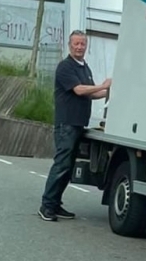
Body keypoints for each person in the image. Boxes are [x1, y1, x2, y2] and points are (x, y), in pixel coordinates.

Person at [39, 30, 111, 221]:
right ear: (70, 46)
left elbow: (91, 93)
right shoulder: (65, 67)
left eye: (82, 44)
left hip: (79, 124)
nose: (79, 47)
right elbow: (79, 90)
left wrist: (110, 91)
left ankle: (56, 204)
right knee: (61, 164)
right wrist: (104, 85)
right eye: (76, 44)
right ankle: (46, 205)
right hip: (66, 124)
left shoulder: (85, 68)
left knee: (69, 167)